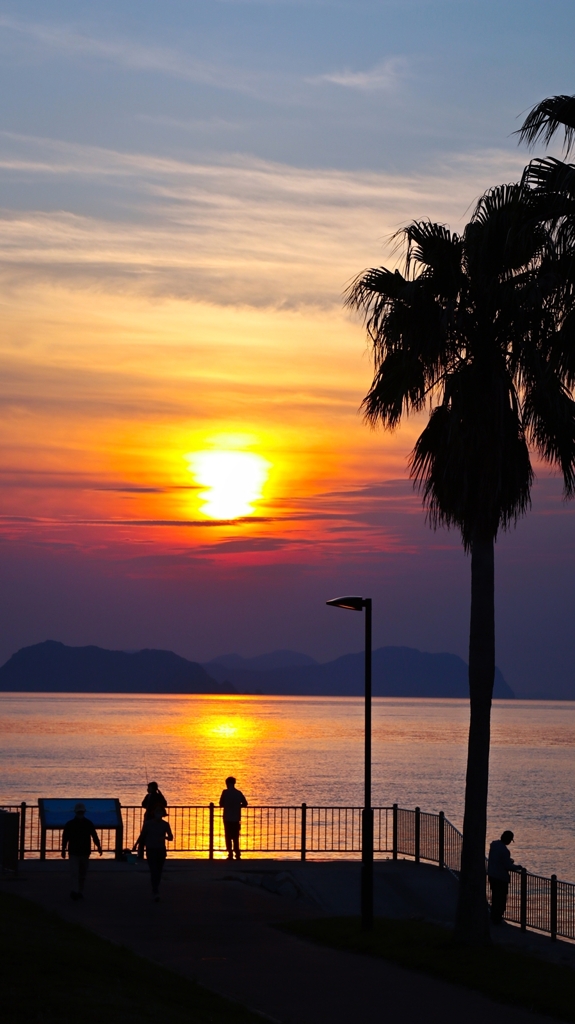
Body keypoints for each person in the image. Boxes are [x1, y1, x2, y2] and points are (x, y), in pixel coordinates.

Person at [61, 802, 102, 901]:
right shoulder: (84, 823)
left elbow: (94, 836)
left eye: (81, 812)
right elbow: (65, 838)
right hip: (76, 852)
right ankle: (75, 891)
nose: (80, 813)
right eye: (79, 812)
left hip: (82, 852)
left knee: (81, 874)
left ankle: (79, 891)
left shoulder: (73, 824)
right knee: (76, 873)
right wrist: (63, 849)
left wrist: (99, 846)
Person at [133, 806, 173, 901]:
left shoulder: (165, 824)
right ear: (153, 813)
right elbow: (143, 835)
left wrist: (164, 838)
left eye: (160, 812)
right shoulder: (148, 824)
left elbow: (171, 837)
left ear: (163, 814)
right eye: (156, 811)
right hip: (151, 849)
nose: (158, 814)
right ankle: (155, 891)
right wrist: (136, 845)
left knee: (158, 871)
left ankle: (155, 888)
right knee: (153, 870)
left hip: (161, 850)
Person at [487, 830, 522, 924]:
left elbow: (499, 860)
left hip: (492, 875)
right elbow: (508, 866)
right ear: (508, 840)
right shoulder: (505, 851)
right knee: (501, 899)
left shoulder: (494, 845)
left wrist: (507, 861)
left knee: (495, 897)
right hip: (501, 878)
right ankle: (498, 918)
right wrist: (518, 867)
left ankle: (494, 916)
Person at [219, 776, 248, 861]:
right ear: (234, 783)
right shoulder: (238, 793)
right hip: (236, 818)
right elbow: (245, 803)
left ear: (227, 783)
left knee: (228, 837)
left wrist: (227, 805)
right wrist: (238, 806)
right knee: (235, 837)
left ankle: (230, 854)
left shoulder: (225, 792)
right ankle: (237, 854)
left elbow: (221, 803)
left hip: (227, 817)